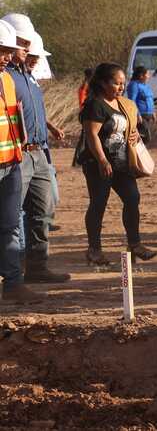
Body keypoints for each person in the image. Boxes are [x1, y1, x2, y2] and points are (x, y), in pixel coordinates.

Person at [78, 62, 156, 267]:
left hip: (121, 162)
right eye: (116, 83)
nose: (121, 87)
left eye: (123, 83)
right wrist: (102, 160)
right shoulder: (95, 105)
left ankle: (135, 244)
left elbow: (130, 127)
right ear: (103, 83)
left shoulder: (123, 103)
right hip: (98, 163)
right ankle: (94, 250)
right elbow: (92, 135)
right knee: (99, 203)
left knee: (132, 197)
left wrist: (135, 134)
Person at [6, 27, 68, 283]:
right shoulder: (7, 78)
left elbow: (34, 111)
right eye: (24, 46)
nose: (29, 52)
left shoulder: (28, 78)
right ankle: (13, 273)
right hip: (18, 154)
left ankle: (37, 267)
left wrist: (49, 129)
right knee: (10, 216)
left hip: (39, 152)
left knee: (43, 211)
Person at [0, 21, 39, 303]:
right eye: (1, 51)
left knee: (11, 225)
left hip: (11, 162)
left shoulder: (8, 81)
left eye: (7, 51)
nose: (6, 56)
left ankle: (13, 284)